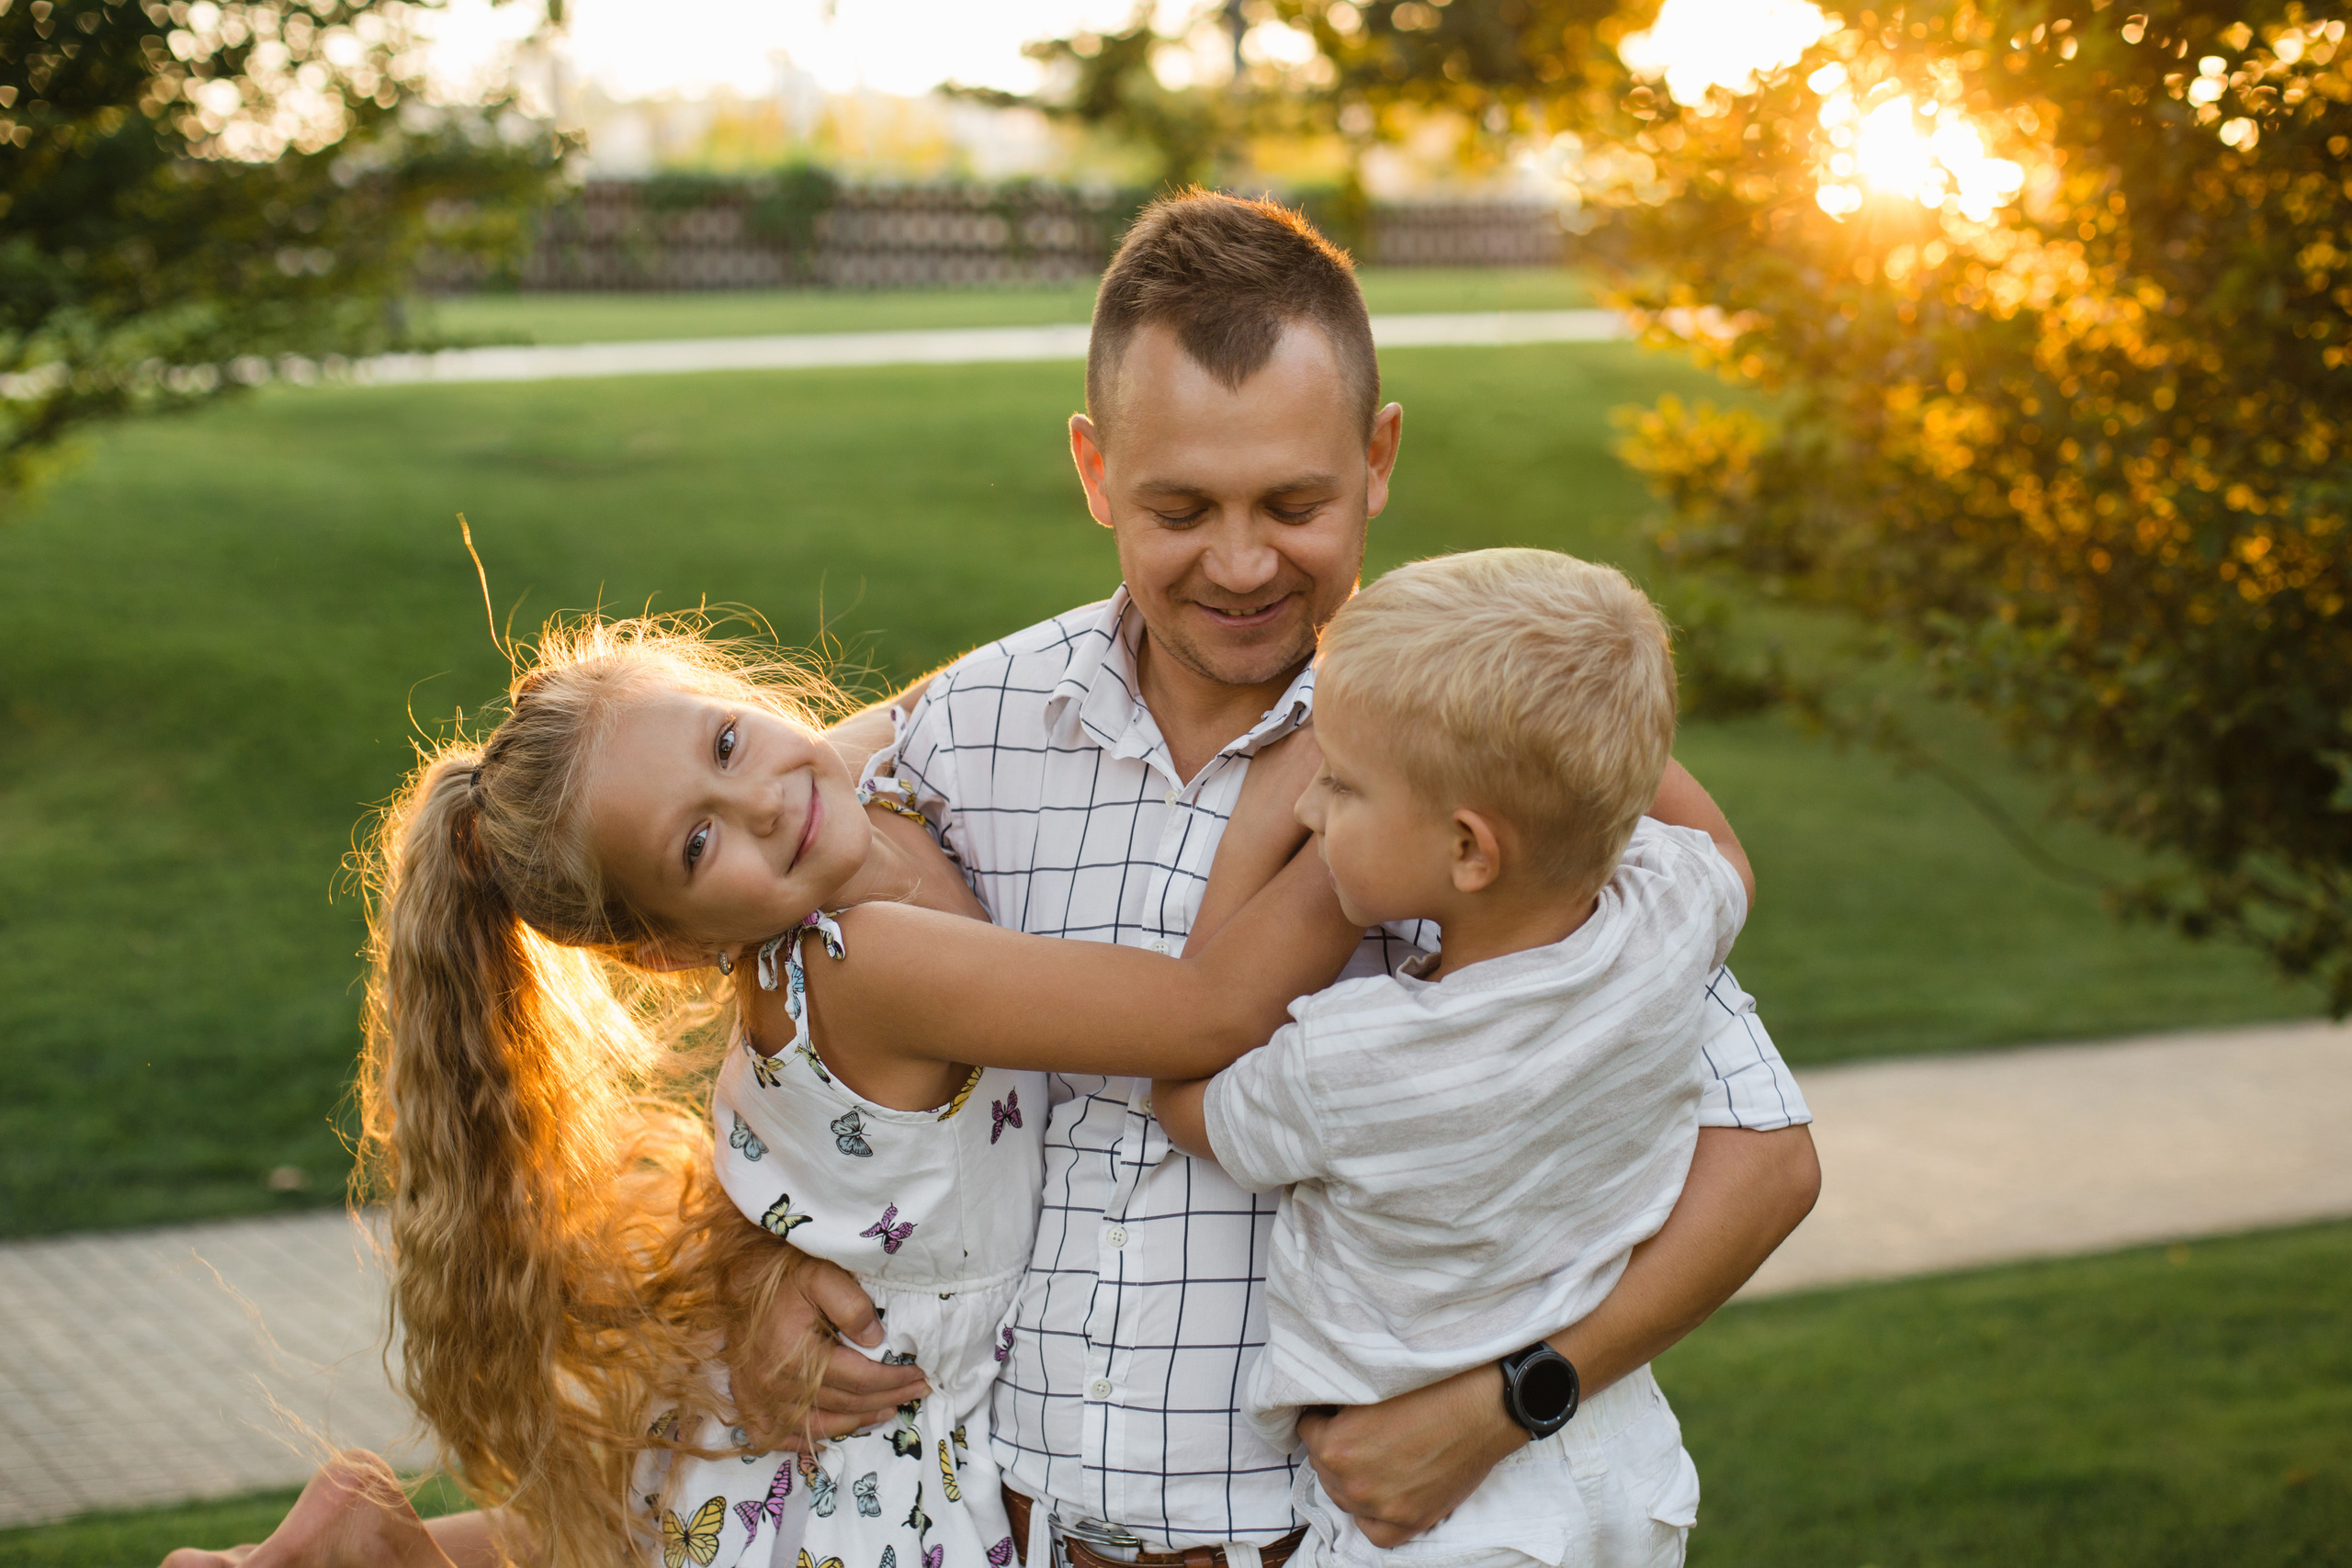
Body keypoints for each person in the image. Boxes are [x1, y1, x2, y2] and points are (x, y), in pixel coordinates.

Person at [773, 189, 1819, 1566]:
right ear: (1095, 470)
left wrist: (1516, 1399)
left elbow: (1763, 1156)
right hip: (1017, 1527)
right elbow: (791, 1019)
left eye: (1294, 502)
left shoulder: (1486, 741)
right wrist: (764, 1259)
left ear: (1376, 458)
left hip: (1336, 1536)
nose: (1242, 561)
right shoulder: (973, 731)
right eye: (1179, 507)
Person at [322, 613, 1363, 1568]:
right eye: (697, 844)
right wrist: (1367, 799)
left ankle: (372, 1548)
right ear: (669, 949)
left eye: (725, 741)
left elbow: (941, 694)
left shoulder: (825, 792)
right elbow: (1209, 1013)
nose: (763, 803)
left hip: (805, 1434)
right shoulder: (858, 965)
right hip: (875, 1479)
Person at [1154, 549, 1748, 1567]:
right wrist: (1583, 723)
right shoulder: (1668, 916)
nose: (1308, 809)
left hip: (1435, 1505)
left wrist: (1251, 835)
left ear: (1470, 850)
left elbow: (1184, 1069)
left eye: (1338, 784)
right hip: (1620, 1456)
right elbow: (1726, 851)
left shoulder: (1353, 1060)